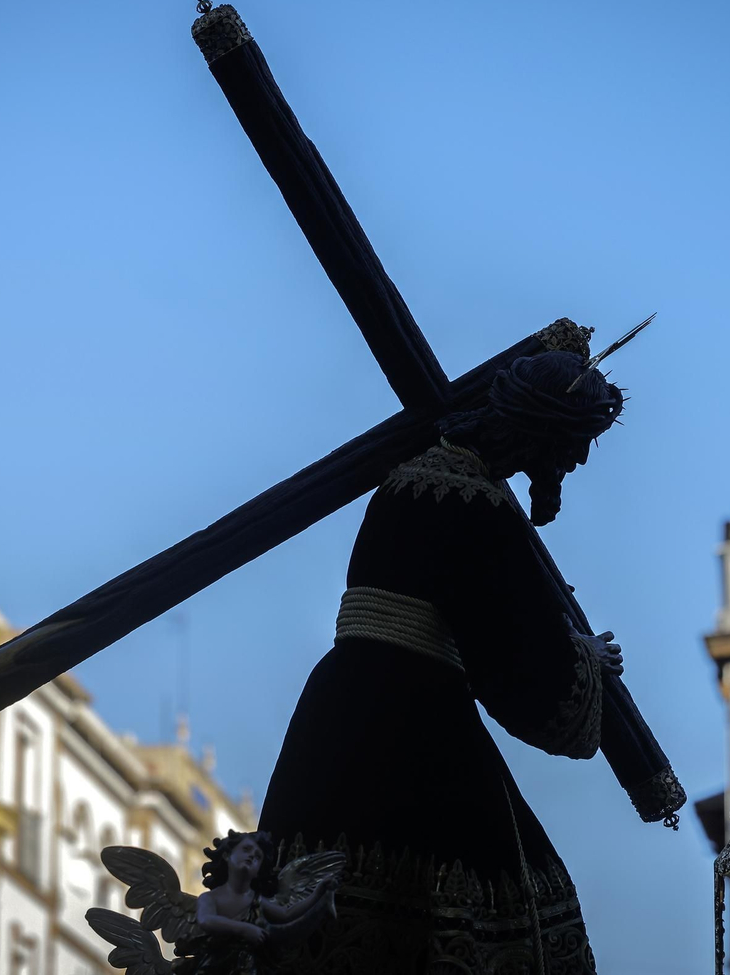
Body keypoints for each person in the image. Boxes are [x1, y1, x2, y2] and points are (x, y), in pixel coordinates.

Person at [257, 321, 627, 974]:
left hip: (337, 716)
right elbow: (520, 666)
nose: (579, 460)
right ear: (539, 432)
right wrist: (586, 659)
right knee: (511, 914)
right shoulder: (480, 507)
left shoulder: (405, 479)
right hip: (416, 722)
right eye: (575, 442)